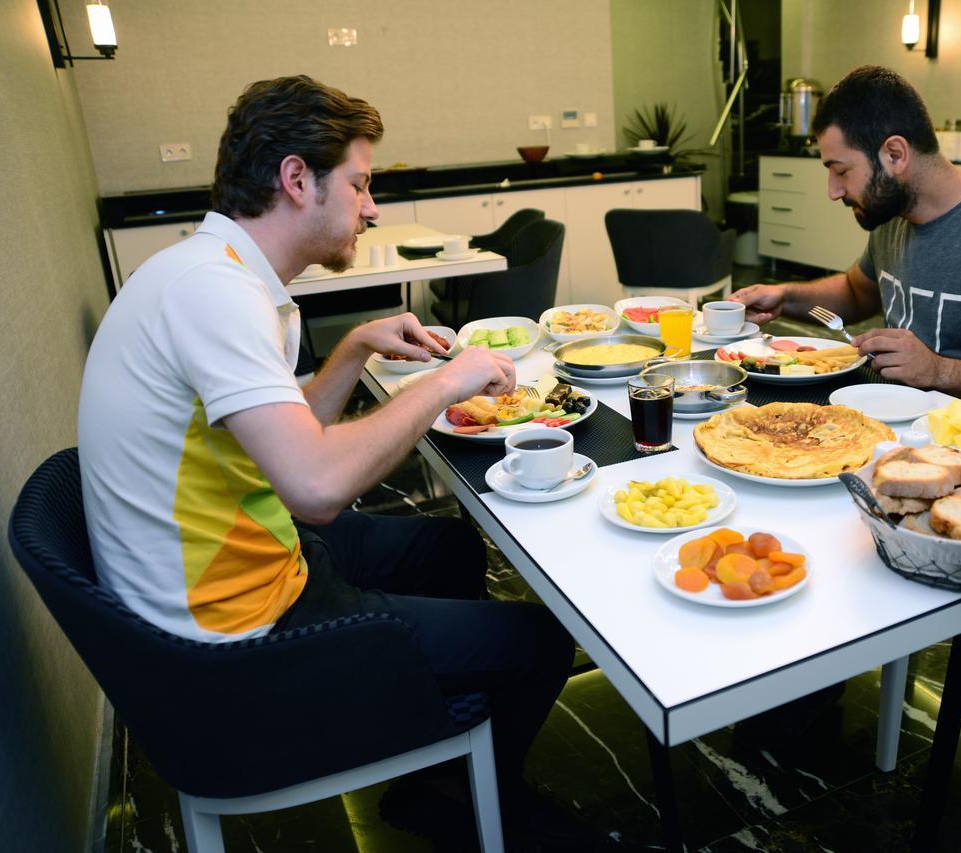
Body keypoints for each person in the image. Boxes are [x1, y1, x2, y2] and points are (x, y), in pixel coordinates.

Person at [78, 75, 587, 850]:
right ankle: (463, 800)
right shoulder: (215, 295)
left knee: (450, 544)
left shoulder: (209, 270)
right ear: (295, 180)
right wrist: (449, 379)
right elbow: (315, 485)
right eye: (358, 183)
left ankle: (433, 759)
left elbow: (283, 437)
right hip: (231, 641)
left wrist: (352, 347)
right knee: (542, 639)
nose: (371, 206)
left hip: (235, 561)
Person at [731, 65, 961, 422]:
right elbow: (857, 293)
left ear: (895, 154)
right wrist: (785, 297)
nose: (833, 190)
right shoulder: (894, 216)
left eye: (841, 171)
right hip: (894, 418)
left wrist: (939, 371)